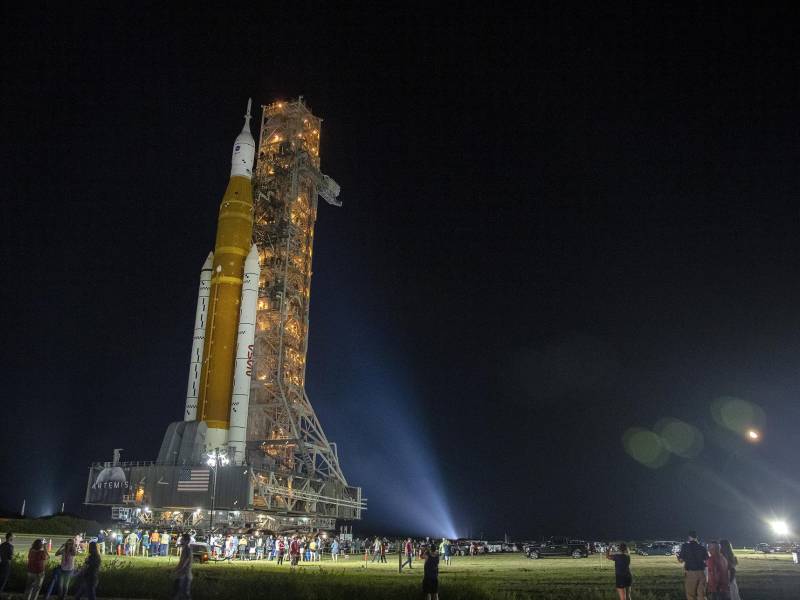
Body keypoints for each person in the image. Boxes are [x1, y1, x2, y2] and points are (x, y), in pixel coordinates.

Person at [678, 531, 709, 600]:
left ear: (689, 537)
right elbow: (707, 560)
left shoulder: (685, 546)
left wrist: (678, 557)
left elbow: (681, 560)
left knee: (691, 595)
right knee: (702, 595)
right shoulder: (702, 547)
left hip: (691, 573)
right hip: (702, 573)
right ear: (696, 537)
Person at [172, 533, 192, 600]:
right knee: (178, 592)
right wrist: (175, 569)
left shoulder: (188, 549)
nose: (180, 541)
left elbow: (187, 560)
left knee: (185, 593)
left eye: (182, 539)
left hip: (185, 574)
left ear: (186, 541)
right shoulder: (184, 549)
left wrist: (181, 568)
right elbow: (181, 562)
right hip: (181, 574)